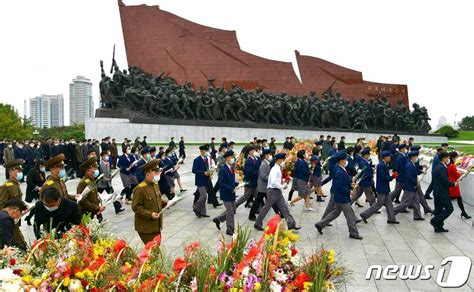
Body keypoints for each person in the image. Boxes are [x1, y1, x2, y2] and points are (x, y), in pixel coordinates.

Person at [315, 152, 363, 240]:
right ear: (341, 160)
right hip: (342, 198)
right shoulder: (339, 171)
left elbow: (343, 182)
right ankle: (353, 233)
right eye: (345, 159)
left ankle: (320, 224)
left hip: (341, 197)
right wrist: (349, 191)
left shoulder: (341, 168)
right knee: (350, 216)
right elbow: (339, 186)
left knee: (335, 213)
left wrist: (350, 185)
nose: (346, 161)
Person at [254, 153, 301, 231]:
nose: (284, 161)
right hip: (273, 191)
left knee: (284, 208)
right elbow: (273, 182)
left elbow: (276, 180)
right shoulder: (275, 169)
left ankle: (291, 224)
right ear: (279, 160)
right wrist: (282, 186)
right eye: (283, 160)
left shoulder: (278, 168)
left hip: (277, 192)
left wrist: (283, 180)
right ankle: (257, 223)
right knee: (266, 208)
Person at [132, 159, 167, 244]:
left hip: (156, 225)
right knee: (153, 252)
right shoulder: (140, 188)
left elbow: (156, 199)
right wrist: (150, 214)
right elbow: (136, 207)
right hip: (146, 227)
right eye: (155, 172)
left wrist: (165, 203)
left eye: (158, 172)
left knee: (155, 251)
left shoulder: (155, 184)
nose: (158, 174)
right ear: (147, 174)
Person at [360, 151, 399, 224]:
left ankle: (391, 219)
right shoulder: (381, 165)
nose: (390, 158)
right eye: (389, 157)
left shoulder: (383, 164)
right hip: (382, 188)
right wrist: (392, 177)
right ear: (386, 157)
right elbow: (383, 177)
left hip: (384, 188)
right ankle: (364, 214)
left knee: (389, 204)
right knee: (379, 204)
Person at [0, 159, 27, 247]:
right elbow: (2, 205)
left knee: (20, 242)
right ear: (11, 172)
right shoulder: (6, 186)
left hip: (15, 219)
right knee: (18, 243)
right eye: (18, 171)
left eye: (20, 171)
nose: (20, 173)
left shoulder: (16, 184)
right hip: (9, 220)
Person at [212, 150, 239, 235]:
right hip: (226, 193)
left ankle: (218, 219)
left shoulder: (231, 167)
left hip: (231, 193)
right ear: (227, 158)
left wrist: (237, 184)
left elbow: (230, 181)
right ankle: (230, 229)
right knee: (230, 211)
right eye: (231, 157)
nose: (233, 159)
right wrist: (231, 189)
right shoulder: (223, 169)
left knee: (232, 210)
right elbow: (221, 183)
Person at [249, 149, 280, 220]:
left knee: (269, 200)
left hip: (265, 186)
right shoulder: (263, 164)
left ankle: (278, 213)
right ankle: (251, 215)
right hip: (263, 187)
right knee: (260, 201)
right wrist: (272, 178)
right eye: (269, 154)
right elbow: (263, 176)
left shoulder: (267, 163)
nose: (270, 156)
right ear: (265, 155)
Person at [393, 151, 424, 220]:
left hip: (413, 187)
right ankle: (392, 212)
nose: (417, 158)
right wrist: (415, 182)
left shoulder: (411, 164)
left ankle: (417, 216)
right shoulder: (409, 165)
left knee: (416, 202)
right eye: (416, 157)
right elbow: (409, 177)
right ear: (412, 157)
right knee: (405, 203)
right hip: (410, 187)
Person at [430, 151, 457, 232]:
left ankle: (438, 227)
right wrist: (453, 184)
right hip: (442, 193)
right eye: (448, 157)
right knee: (449, 208)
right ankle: (435, 220)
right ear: (444, 158)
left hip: (437, 192)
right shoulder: (442, 168)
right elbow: (444, 181)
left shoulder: (438, 167)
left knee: (439, 210)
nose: (448, 159)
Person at [447, 152, 471, 219]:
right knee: (455, 198)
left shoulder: (450, 165)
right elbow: (456, 175)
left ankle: (463, 213)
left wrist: (460, 173)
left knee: (458, 198)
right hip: (454, 185)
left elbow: (454, 173)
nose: (457, 158)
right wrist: (464, 173)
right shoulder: (452, 165)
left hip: (452, 184)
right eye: (456, 157)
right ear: (453, 157)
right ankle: (463, 213)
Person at [24, 159, 46, 225]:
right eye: (43, 166)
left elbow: (44, 181)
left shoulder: (42, 172)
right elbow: (29, 182)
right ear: (39, 165)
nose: (44, 167)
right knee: (34, 207)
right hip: (32, 193)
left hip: (40, 192)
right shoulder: (32, 172)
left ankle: (29, 218)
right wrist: (37, 188)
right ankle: (31, 219)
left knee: (37, 207)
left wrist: (44, 186)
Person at [192, 145, 211, 218]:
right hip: (200, 181)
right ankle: (195, 207)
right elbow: (194, 170)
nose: (206, 152)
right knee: (203, 196)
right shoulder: (197, 160)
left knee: (204, 197)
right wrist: (203, 172)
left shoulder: (206, 159)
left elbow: (207, 168)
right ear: (202, 151)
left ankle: (203, 212)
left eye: (207, 151)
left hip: (206, 180)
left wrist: (209, 173)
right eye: (205, 151)